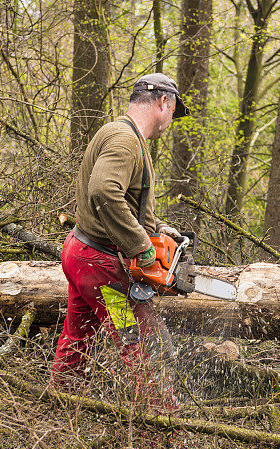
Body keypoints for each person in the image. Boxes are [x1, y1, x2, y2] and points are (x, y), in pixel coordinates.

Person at [51, 73, 188, 411]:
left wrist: (157, 229)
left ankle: (57, 413)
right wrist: (141, 248)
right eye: (173, 112)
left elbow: (124, 200)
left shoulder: (120, 134)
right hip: (100, 266)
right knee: (144, 344)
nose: (171, 120)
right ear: (163, 103)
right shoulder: (126, 141)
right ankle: (158, 440)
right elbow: (103, 192)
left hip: (81, 252)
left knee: (78, 338)